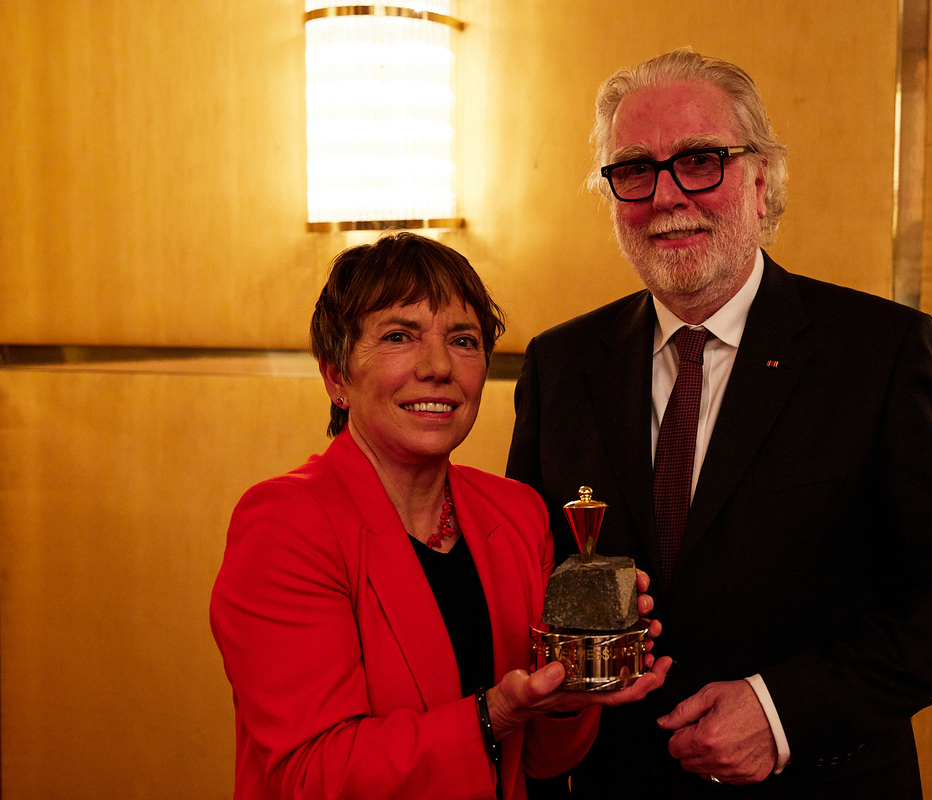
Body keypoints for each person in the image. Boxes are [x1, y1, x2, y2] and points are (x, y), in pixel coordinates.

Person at [506, 49, 932, 798]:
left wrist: (780, 714)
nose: (668, 196)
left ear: (761, 177)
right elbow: (527, 584)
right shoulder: (559, 363)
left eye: (701, 160)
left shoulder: (879, 352)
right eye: (635, 169)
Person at [210, 232, 670, 800]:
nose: (438, 366)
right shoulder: (285, 524)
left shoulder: (518, 513)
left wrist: (569, 691)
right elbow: (313, 775)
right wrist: (492, 715)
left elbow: (546, 764)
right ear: (336, 378)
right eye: (399, 336)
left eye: (463, 339)